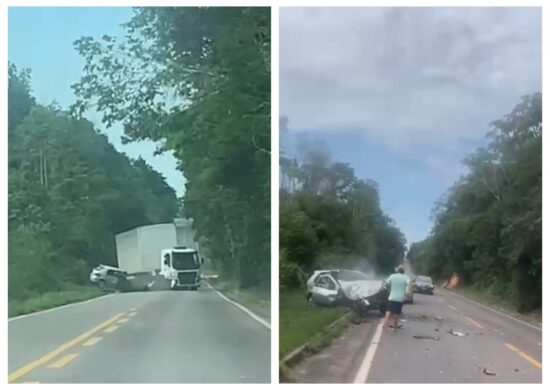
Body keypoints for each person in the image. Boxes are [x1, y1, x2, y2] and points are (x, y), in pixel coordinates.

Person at [384, 265, 410, 330]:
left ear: (397, 270)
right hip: (400, 298)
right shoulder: (406, 277)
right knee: (397, 313)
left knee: (388, 311)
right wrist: (407, 293)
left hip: (392, 297)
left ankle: (385, 324)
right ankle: (395, 326)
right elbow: (409, 284)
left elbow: (387, 283)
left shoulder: (392, 276)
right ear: (403, 271)